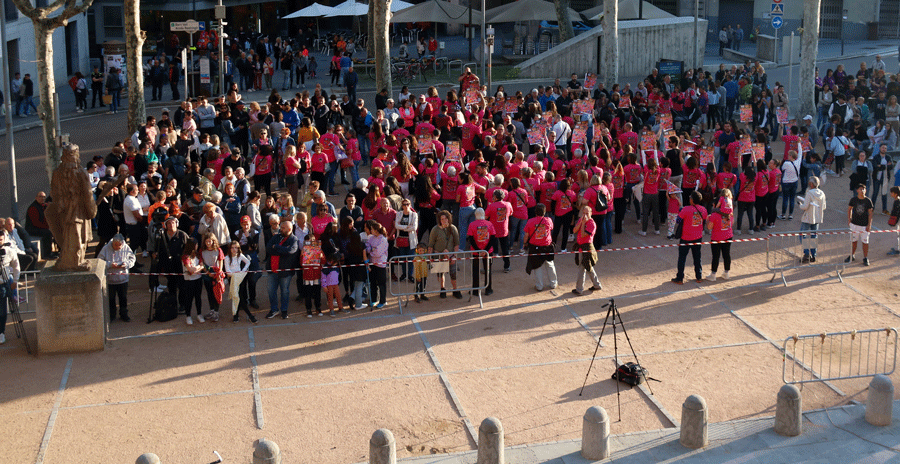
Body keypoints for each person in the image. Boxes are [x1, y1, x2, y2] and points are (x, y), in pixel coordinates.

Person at [98, 234, 136, 322]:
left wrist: (126, 264)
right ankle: (112, 315)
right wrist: (110, 264)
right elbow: (100, 261)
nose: (118, 247)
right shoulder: (106, 248)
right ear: (112, 243)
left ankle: (124, 314)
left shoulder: (126, 247)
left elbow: (132, 258)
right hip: (110, 280)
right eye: (115, 245)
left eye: (120, 245)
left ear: (122, 243)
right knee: (111, 299)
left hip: (123, 279)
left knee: (123, 298)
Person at [671, 191, 707, 284]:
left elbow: (678, 221)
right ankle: (699, 277)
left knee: (682, 258)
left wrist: (680, 211)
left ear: (692, 200)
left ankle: (679, 278)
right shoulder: (703, 209)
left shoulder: (686, 209)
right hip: (698, 237)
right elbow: (704, 220)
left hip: (686, 238)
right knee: (697, 257)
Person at [266, 220, 299, 319]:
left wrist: (276, 247)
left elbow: (290, 251)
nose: (281, 229)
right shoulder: (276, 237)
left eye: (283, 228)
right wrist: (282, 250)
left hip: (285, 271)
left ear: (289, 229)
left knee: (284, 291)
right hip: (272, 269)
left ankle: (284, 310)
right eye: (281, 227)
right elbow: (268, 248)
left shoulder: (294, 239)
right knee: (271, 290)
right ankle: (274, 309)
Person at [428, 210, 461, 299]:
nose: (444, 220)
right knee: (440, 274)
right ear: (439, 220)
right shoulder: (435, 229)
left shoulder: (453, 228)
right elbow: (430, 244)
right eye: (442, 219)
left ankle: (455, 289)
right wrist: (429, 257)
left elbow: (456, 244)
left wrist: (454, 256)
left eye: (446, 218)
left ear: (449, 218)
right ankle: (442, 289)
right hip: (439, 256)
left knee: (453, 274)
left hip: (451, 256)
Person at [524, 204, 557, 292]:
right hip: (547, 246)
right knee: (550, 265)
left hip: (535, 247)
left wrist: (524, 243)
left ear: (535, 212)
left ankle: (539, 286)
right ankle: (553, 283)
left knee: (537, 267)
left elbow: (526, 235)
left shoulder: (530, 221)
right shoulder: (549, 220)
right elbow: (551, 229)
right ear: (544, 212)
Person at [572, 206, 602, 295]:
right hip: (581, 247)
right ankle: (597, 285)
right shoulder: (581, 220)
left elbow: (583, 234)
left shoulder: (591, 223)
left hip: (586, 248)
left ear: (591, 213)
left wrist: (583, 223)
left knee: (582, 268)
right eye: (583, 213)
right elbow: (574, 230)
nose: (585, 215)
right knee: (588, 267)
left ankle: (579, 289)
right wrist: (581, 222)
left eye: (587, 213)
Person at [466, 208, 496, 296]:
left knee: (475, 270)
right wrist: (485, 250)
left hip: (476, 251)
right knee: (488, 270)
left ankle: (475, 290)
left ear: (475, 215)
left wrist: (478, 251)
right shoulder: (489, 224)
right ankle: (488, 289)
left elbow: (471, 239)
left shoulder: (472, 224)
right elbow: (493, 238)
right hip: (488, 251)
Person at [224, 240, 256, 323]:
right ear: (230, 249)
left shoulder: (240, 255)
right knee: (236, 296)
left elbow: (248, 262)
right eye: (232, 248)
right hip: (232, 279)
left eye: (236, 248)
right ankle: (248, 315)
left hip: (240, 278)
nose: (234, 250)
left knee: (240, 296)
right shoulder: (227, 258)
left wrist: (242, 271)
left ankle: (236, 315)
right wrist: (234, 275)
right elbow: (228, 271)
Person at [798, 176, 826, 263]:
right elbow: (824, 207)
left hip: (808, 217)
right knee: (814, 236)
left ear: (811, 184)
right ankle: (813, 254)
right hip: (817, 217)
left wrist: (800, 205)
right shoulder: (822, 193)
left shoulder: (809, 193)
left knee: (803, 234)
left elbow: (805, 206)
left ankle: (806, 253)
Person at [705, 196, 733, 281]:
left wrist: (707, 220)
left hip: (716, 238)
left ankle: (713, 274)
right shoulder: (730, 214)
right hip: (728, 236)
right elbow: (732, 223)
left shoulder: (714, 215)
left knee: (716, 256)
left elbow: (709, 227)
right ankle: (726, 273)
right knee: (726, 254)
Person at [846, 184, 874, 266]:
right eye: (860, 189)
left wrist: (869, 224)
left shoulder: (868, 201)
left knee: (865, 242)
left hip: (864, 225)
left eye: (863, 189)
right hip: (854, 224)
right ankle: (852, 255)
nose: (862, 191)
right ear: (857, 190)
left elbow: (870, 213)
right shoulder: (853, 200)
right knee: (853, 241)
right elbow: (849, 209)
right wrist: (849, 219)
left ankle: (865, 257)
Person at [364, 219, 389, 308]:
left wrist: (371, 251)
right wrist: (372, 249)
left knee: (381, 284)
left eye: (372, 229)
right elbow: (367, 247)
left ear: (376, 230)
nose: (371, 231)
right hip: (372, 263)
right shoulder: (371, 238)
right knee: (373, 283)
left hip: (380, 265)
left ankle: (383, 301)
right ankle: (374, 299)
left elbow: (378, 252)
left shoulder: (383, 240)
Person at [181, 238, 205, 324]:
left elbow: (202, 266)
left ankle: (199, 314)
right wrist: (196, 269)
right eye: (196, 244)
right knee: (189, 298)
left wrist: (196, 269)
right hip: (189, 281)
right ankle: (188, 316)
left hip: (198, 279)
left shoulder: (198, 255)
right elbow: (190, 270)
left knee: (198, 297)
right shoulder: (185, 257)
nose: (197, 246)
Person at [393, 198, 418, 282]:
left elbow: (414, 227)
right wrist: (407, 227)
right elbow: (396, 226)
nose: (406, 206)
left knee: (410, 259)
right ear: (402, 206)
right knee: (403, 259)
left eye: (408, 204)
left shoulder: (414, 215)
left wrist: (402, 227)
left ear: (410, 205)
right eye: (404, 204)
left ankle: (410, 275)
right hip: (401, 240)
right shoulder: (399, 214)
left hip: (411, 240)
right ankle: (404, 274)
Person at [25, 191, 53, 258]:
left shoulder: (43, 205)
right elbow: (36, 223)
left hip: (40, 227)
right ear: (36, 198)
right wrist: (48, 227)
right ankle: (47, 254)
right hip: (32, 229)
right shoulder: (33, 208)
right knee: (48, 233)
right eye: (40, 197)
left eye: (44, 197)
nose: (42, 198)